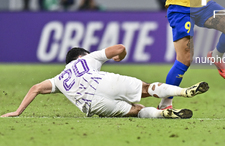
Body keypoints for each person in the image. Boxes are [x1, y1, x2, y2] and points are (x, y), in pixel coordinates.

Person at [1, 44, 209, 119]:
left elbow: (35, 88)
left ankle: (163, 114)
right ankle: (182, 92)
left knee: (136, 110)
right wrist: (121, 56)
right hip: (103, 81)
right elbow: (119, 48)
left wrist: (18, 111)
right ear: (82, 55)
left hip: (93, 105)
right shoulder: (88, 58)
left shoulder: (59, 78)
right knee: (147, 89)